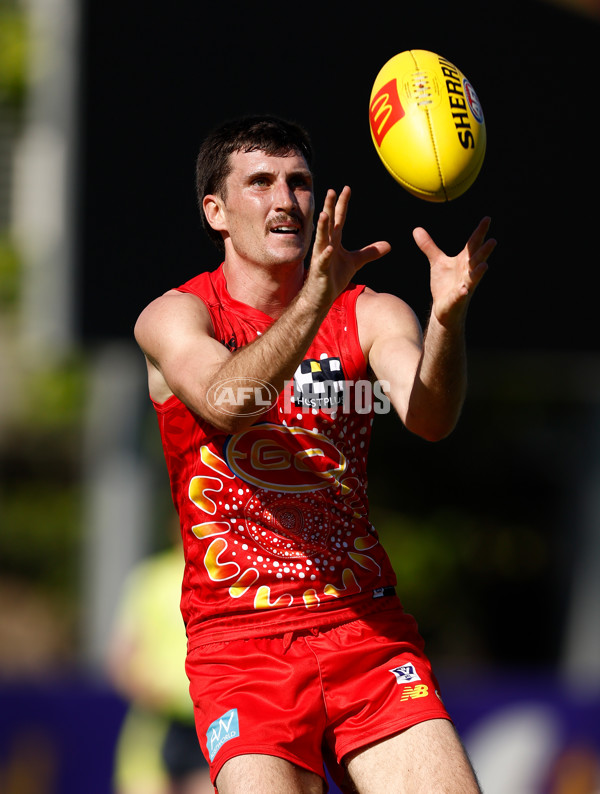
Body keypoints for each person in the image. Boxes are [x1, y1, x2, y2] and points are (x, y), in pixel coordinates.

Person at [134, 115, 496, 794]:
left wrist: (448, 320)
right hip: (241, 644)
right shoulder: (175, 316)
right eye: (261, 182)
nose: (285, 200)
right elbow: (226, 401)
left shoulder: (370, 311)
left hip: (364, 627)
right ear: (215, 211)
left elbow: (430, 418)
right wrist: (313, 300)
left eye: (299, 183)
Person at [106, 520, 213, 794]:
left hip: (212, 719)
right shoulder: (151, 578)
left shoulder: (226, 580)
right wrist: (146, 690)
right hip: (158, 721)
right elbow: (121, 658)